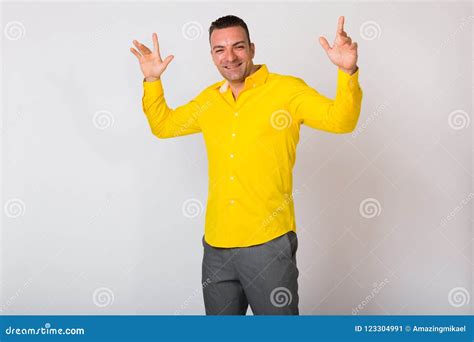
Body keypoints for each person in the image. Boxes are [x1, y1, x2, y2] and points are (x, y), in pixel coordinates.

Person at [130, 14, 363, 315]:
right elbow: (163, 126)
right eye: (220, 50)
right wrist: (152, 79)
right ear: (212, 56)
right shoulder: (209, 101)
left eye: (238, 47)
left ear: (252, 48)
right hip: (216, 247)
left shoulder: (286, 91)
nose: (230, 57)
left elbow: (341, 121)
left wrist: (348, 71)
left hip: (267, 244)